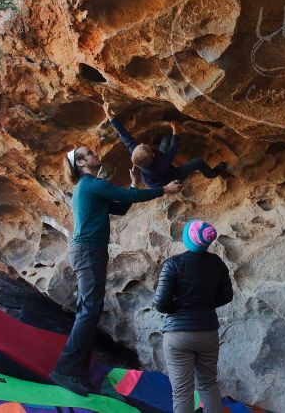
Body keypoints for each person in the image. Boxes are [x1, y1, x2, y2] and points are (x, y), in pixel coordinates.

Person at [50, 145, 183, 396]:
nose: (96, 154)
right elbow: (127, 198)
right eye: (90, 153)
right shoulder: (91, 184)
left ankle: (76, 368)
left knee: (89, 310)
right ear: (80, 163)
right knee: (89, 311)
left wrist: (134, 187)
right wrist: (163, 190)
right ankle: (66, 369)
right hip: (88, 251)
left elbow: (121, 207)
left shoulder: (87, 189)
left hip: (87, 251)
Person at [154, 219, 233, 413]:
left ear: (188, 239)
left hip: (177, 335)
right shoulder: (217, 263)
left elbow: (161, 304)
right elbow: (227, 296)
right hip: (208, 333)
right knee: (208, 385)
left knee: (182, 392)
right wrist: (204, 306)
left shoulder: (173, 265)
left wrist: (181, 307)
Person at [103, 102, 226, 189]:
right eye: (145, 146)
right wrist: (175, 130)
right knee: (197, 162)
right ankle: (212, 174)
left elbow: (124, 135)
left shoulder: (137, 152)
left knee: (165, 140)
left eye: (140, 145)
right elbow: (173, 148)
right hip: (168, 179)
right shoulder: (161, 163)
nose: (141, 143)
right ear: (152, 153)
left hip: (153, 177)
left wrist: (110, 116)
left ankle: (174, 161)